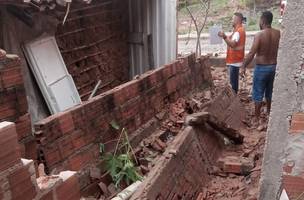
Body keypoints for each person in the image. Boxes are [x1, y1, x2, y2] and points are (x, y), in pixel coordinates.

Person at [241, 11, 280, 125]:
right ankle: (269, 113)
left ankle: (257, 118)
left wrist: (243, 66)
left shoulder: (259, 34)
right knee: (270, 91)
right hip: (274, 67)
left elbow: (252, 53)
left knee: (258, 92)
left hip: (262, 68)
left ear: (262, 20)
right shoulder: (278, 33)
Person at [218, 12, 246, 94]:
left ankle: (234, 101)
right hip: (236, 60)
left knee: (233, 85)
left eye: (232, 19)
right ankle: (234, 98)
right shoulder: (239, 30)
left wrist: (224, 37)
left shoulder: (238, 31)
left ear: (237, 20)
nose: (231, 21)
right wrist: (225, 36)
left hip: (235, 61)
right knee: (234, 83)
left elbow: (232, 44)